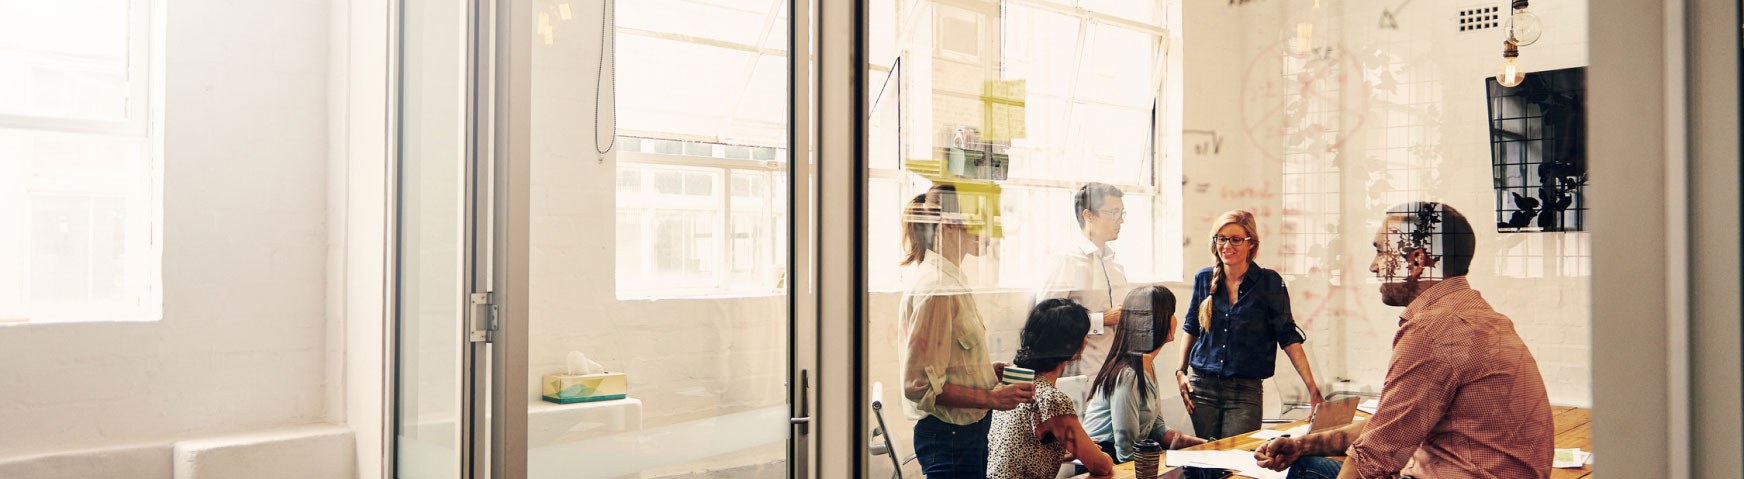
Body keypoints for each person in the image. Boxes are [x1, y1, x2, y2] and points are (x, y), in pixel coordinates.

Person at [1252, 202, 1554, 479]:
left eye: (1382, 251)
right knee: (1307, 462)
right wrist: (1302, 446)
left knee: (1311, 473)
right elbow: (1385, 427)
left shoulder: (1434, 330)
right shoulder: (1480, 316)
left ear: (1416, 261)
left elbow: (1372, 458)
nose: (1373, 266)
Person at [898, 185, 1036, 478]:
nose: (990, 230)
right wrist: (991, 398)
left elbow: (942, 364)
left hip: (964, 436)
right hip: (950, 440)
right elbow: (919, 386)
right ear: (948, 223)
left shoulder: (951, 281)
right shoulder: (937, 288)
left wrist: (984, 372)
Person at [1175, 209, 1323, 439]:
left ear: (1251, 245)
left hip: (1245, 391)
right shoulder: (1204, 278)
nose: (1227, 246)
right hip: (1201, 387)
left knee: (1235, 460)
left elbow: (1288, 337)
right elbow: (1191, 328)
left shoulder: (1270, 283)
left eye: (1236, 240)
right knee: (1204, 463)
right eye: (1221, 239)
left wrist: (1312, 388)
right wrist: (1180, 371)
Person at [987, 299, 1115, 479]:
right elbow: (1100, 466)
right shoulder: (1051, 399)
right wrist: (1103, 456)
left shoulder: (1011, 383)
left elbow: (1020, 450)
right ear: (1074, 349)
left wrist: (1063, 453)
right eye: (1085, 335)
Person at [1083, 285, 1208, 463]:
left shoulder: (1146, 366)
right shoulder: (1128, 375)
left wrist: (1205, 445)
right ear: (1158, 321)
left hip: (1126, 459)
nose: (1175, 319)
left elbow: (1156, 428)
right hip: (1105, 462)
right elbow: (1126, 451)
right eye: (1172, 313)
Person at [1036, 182, 1130, 386]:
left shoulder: (1114, 264)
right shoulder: (1067, 260)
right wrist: (1101, 320)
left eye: (1122, 213)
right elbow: (1045, 321)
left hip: (1117, 374)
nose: (1120, 220)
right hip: (1082, 377)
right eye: (1113, 213)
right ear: (1088, 216)